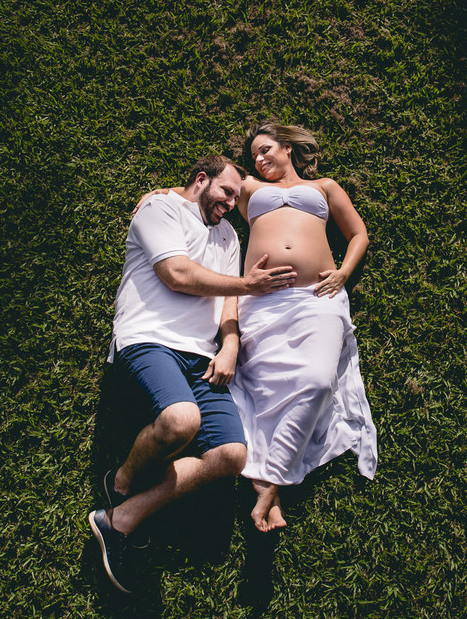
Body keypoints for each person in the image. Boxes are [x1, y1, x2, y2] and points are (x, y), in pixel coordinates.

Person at [138, 123, 378, 534]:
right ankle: (270, 486)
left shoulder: (324, 187)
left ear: (287, 147)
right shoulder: (247, 188)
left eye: (266, 150)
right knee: (260, 388)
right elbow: (207, 187)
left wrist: (343, 272)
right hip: (260, 300)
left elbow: (358, 233)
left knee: (319, 381)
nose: (260, 160)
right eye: (254, 157)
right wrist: (162, 194)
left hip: (315, 298)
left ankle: (272, 480)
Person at [90, 155, 297, 594]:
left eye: (236, 198)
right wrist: (249, 285)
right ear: (201, 180)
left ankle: (120, 519)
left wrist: (230, 344)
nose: (229, 203)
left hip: (201, 355)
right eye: (225, 192)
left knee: (231, 456)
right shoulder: (159, 209)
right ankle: (120, 482)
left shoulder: (227, 236)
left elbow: (228, 305)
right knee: (182, 421)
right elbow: (177, 274)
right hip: (149, 339)